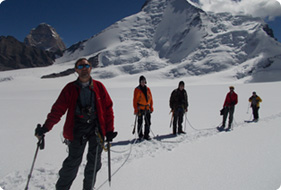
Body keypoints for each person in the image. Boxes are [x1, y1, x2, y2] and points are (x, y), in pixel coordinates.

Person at [35, 58, 117, 190]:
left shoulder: (99, 87)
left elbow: (108, 108)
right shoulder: (69, 89)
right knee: (72, 163)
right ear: (76, 70)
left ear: (90, 68)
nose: (84, 68)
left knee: (94, 163)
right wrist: (45, 127)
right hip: (77, 129)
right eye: (80, 66)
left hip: (96, 129)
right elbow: (58, 110)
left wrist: (109, 130)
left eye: (86, 65)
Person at [133, 75, 154, 140]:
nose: (143, 82)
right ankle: (140, 135)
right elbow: (135, 100)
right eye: (142, 81)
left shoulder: (148, 89)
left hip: (147, 108)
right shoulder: (137, 89)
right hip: (140, 108)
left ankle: (146, 134)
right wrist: (136, 109)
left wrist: (151, 107)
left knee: (148, 122)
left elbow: (151, 99)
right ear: (140, 82)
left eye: (144, 81)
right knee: (140, 122)